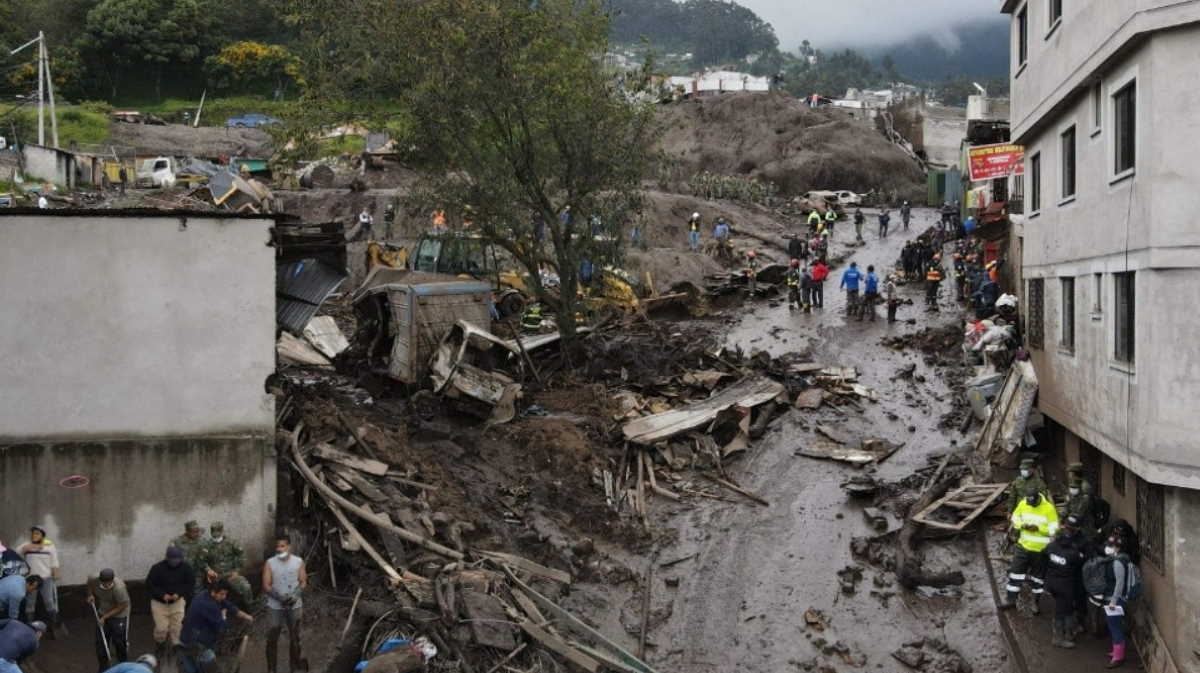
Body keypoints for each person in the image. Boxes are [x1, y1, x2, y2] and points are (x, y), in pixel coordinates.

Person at [1005, 485, 1059, 614]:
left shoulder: (1048, 508)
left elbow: (1054, 530)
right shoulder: (1024, 503)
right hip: (1023, 546)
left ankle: (1035, 603)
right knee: (1015, 574)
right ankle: (1010, 601)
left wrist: (1039, 529)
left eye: (1033, 503)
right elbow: (1015, 518)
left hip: (1040, 551)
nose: (1031, 504)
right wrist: (1022, 525)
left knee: (1037, 579)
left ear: (1038, 499)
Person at [179, 581, 253, 673]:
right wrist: (224, 616)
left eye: (225, 594)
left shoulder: (205, 594)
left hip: (184, 639)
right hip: (197, 644)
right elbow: (222, 628)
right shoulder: (209, 606)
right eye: (222, 594)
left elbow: (228, 605)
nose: (224, 597)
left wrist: (246, 616)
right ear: (214, 592)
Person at [263, 536, 307, 673]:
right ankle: (271, 669)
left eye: (282, 546)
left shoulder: (298, 561)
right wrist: (279, 596)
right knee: (272, 635)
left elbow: (303, 581)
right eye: (277, 547)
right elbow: (266, 585)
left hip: (294, 605)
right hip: (275, 606)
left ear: (289, 547)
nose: (279, 549)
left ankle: (294, 667)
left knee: (295, 636)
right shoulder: (270, 563)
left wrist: (295, 594)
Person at [1045, 516, 1089, 648]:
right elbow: (1082, 560)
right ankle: (1059, 637)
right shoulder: (1073, 554)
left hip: (1052, 582)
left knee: (1062, 609)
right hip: (1065, 586)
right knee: (1063, 611)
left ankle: (1069, 633)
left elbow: (1044, 556)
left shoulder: (1051, 547)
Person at [146, 547, 194, 658]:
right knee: (161, 628)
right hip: (159, 604)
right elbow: (150, 584)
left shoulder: (186, 568)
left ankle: (176, 647)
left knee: (177, 627)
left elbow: (190, 583)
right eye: (172, 559)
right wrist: (162, 595)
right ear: (167, 558)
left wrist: (179, 593)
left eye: (177, 559)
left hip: (177, 603)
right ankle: (160, 644)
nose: (175, 562)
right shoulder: (157, 568)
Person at [16, 527, 59, 628]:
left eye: (36, 533)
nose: (34, 535)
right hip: (31, 579)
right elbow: (17, 552)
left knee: (49, 601)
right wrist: (26, 547)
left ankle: (54, 624)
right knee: (30, 602)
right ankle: (29, 625)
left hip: (46, 578)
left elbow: (54, 560)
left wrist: (56, 572)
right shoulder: (26, 545)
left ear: (42, 535)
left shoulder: (49, 546)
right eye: (33, 533)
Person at [1101, 537, 1134, 668]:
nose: (1108, 547)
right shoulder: (1123, 558)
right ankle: (1116, 651)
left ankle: (1118, 657)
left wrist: (1113, 601)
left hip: (1115, 600)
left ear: (1117, 547)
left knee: (1115, 627)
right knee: (1114, 625)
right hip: (1117, 599)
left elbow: (1119, 584)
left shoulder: (1117, 562)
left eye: (1111, 545)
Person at [89, 568, 130, 668]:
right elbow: (90, 583)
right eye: (104, 583)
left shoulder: (119, 589)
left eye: (109, 583)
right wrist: (90, 594)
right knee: (101, 641)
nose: (106, 585)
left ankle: (123, 664)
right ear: (100, 580)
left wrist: (105, 617)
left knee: (119, 641)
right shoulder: (95, 579)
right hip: (103, 610)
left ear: (112, 580)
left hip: (119, 614)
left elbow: (123, 605)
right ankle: (103, 666)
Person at [205, 523, 250, 610]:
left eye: (218, 534)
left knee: (246, 588)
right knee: (212, 595)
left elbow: (242, 555)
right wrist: (208, 570)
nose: (216, 537)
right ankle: (216, 613)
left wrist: (237, 570)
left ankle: (249, 608)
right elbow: (203, 561)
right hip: (216, 576)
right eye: (214, 535)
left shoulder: (231, 542)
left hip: (231, 575)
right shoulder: (207, 545)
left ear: (222, 531)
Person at [171, 521, 210, 597]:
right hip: (181, 574)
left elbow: (205, 558)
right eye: (194, 532)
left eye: (197, 531)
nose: (196, 534)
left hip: (197, 574)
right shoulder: (177, 542)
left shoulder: (202, 541)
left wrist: (207, 570)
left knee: (199, 596)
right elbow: (170, 558)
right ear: (187, 531)